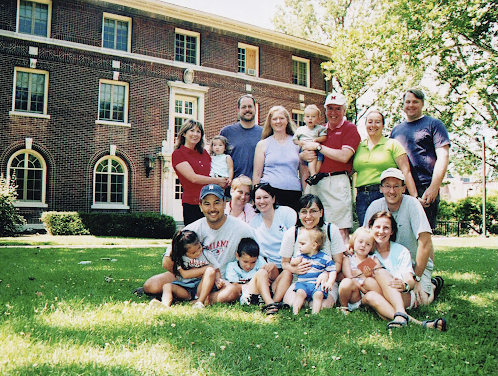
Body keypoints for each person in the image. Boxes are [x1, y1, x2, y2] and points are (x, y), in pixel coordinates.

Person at [142, 184, 255, 303]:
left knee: (232, 292)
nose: (212, 208)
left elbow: (259, 251)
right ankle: (188, 295)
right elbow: (166, 261)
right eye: (207, 204)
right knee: (150, 286)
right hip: (191, 277)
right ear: (200, 206)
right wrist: (187, 273)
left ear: (225, 203)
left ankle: (193, 300)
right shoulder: (192, 229)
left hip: (219, 280)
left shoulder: (241, 228)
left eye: (217, 202)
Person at [364, 168, 443, 307]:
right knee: (370, 290)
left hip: (414, 266)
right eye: (387, 186)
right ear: (381, 188)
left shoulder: (413, 205)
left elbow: (425, 243)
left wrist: (416, 278)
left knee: (421, 301)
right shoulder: (374, 206)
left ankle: (433, 285)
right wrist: (363, 268)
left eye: (396, 186)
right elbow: (365, 241)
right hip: (384, 264)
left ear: (404, 188)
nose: (392, 191)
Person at [361, 211, 447, 331]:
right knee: (370, 295)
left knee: (380, 273)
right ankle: (418, 323)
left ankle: (402, 311)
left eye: (386, 228)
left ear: (392, 231)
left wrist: (405, 285)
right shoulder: (367, 251)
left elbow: (409, 279)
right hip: (378, 294)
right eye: (377, 227)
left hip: (401, 295)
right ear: (370, 228)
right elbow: (359, 278)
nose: (381, 231)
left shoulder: (400, 251)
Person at [301, 93, 361, 244]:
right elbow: (303, 154)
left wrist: (319, 147)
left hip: (337, 181)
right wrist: (304, 156)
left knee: (339, 229)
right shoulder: (319, 130)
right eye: (330, 108)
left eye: (338, 109)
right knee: (313, 226)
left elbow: (344, 156)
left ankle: (340, 265)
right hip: (317, 181)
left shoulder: (350, 128)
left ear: (344, 111)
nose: (333, 113)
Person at [390, 89, 450, 228]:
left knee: (423, 234)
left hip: (425, 187)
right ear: (403, 105)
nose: (411, 105)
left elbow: (443, 156)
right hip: (401, 188)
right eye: (408, 102)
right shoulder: (396, 130)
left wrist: (434, 187)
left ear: (422, 104)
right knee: (400, 232)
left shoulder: (434, 124)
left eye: (415, 102)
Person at [353, 110, 418, 225]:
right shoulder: (359, 146)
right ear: (365, 125)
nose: (373, 125)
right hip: (362, 196)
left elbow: (406, 171)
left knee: (385, 232)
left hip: (384, 194)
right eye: (370, 122)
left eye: (377, 122)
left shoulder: (392, 144)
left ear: (383, 125)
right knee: (366, 234)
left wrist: (415, 199)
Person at [280, 194, 345, 308]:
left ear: (321, 212)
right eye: (304, 211)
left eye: (313, 211)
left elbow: (338, 262)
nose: (308, 216)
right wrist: (294, 269)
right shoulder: (292, 232)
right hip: (300, 282)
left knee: (323, 306)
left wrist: (326, 273)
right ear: (299, 214)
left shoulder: (331, 230)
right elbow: (284, 263)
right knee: (291, 303)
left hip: (324, 282)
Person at [149, 230, 222, 310]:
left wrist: (218, 279)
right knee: (167, 286)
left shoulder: (207, 254)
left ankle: (200, 302)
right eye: (193, 253)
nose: (198, 252)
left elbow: (216, 270)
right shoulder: (181, 258)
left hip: (202, 286)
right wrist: (205, 269)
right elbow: (185, 275)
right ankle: (165, 306)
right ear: (184, 253)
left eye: (199, 247)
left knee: (211, 271)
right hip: (186, 287)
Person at [172, 120, 228, 225]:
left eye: (198, 131)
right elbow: (193, 178)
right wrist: (217, 181)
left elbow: (214, 170)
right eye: (192, 130)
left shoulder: (204, 153)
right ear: (184, 133)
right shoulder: (178, 154)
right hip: (192, 203)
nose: (195, 134)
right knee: (194, 238)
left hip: (211, 201)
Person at [252, 106, 302, 211]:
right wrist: (255, 196)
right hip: (269, 194)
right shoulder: (263, 144)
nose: (278, 121)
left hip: (293, 193)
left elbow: (304, 173)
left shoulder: (297, 143)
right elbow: (257, 174)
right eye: (274, 119)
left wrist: (306, 195)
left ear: (287, 120)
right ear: (270, 122)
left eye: (281, 118)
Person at [226, 238, 290, 315]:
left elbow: (273, 279)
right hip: (251, 295)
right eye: (245, 262)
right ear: (237, 256)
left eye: (253, 262)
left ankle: (274, 303)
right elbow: (235, 287)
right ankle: (269, 303)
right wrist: (258, 281)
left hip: (267, 292)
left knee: (287, 273)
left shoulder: (260, 261)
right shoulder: (232, 267)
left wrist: (273, 268)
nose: (249, 266)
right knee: (262, 272)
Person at [249, 183, 297, 269]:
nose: (262, 201)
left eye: (266, 197)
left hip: (290, 263)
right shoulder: (253, 222)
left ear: (273, 199)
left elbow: (297, 240)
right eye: (258, 198)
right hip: (269, 267)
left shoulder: (287, 213)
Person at [291, 227, 337, 315]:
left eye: (302, 243)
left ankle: (315, 313)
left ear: (314, 245)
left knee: (318, 295)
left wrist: (330, 282)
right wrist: (294, 262)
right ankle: (295, 312)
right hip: (303, 283)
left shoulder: (324, 257)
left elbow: (332, 270)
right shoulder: (299, 255)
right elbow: (292, 263)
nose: (299, 246)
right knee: (300, 293)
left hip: (317, 284)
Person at [338, 227, 382, 315]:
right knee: (346, 282)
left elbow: (379, 276)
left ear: (372, 247)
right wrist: (360, 286)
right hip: (355, 293)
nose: (363, 245)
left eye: (368, 244)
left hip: (368, 293)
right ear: (353, 241)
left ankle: (373, 306)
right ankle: (344, 307)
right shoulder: (348, 259)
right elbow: (349, 277)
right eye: (360, 242)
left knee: (371, 282)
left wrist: (370, 275)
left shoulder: (372, 259)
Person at [220, 95, 262, 179]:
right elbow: (218, 157)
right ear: (238, 110)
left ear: (255, 109)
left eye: (250, 106)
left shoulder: (264, 133)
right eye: (244, 107)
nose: (247, 109)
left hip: (257, 185)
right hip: (233, 186)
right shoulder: (226, 132)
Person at [292, 104, 327, 187]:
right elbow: (294, 140)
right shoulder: (300, 129)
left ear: (319, 119)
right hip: (306, 147)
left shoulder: (320, 128)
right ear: (304, 119)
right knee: (313, 157)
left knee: (320, 158)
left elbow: (324, 137)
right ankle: (313, 174)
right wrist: (300, 143)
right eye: (307, 116)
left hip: (316, 146)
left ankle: (315, 174)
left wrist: (316, 140)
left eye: (313, 116)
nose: (310, 119)